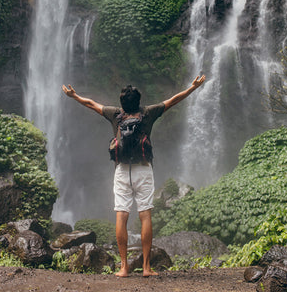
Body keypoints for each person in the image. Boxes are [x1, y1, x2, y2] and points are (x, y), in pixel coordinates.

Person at [62, 74, 205, 277]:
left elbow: (92, 104)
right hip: (144, 169)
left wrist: (74, 96)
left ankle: (123, 267)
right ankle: (146, 267)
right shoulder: (148, 113)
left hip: (121, 171)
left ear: (122, 103)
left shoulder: (114, 114)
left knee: (122, 215)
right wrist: (193, 87)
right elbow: (174, 100)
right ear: (139, 102)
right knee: (145, 214)